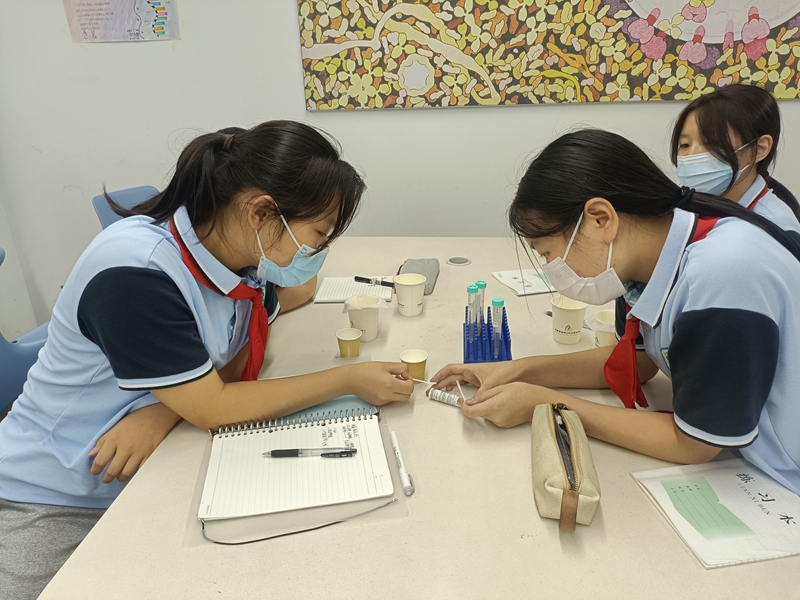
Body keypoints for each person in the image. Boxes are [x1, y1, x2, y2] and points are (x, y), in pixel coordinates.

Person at [0, 120, 414, 599]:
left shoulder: (237, 259)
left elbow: (265, 323)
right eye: (318, 236)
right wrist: (346, 379)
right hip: (55, 494)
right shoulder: (137, 274)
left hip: (156, 467)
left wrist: (165, 411)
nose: (318, 252)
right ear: (260, 211)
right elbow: (215, 406)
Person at [432, 129, 800, 498]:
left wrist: (543, 404)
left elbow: (693, 445)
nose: (550, 269)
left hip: (781, 477)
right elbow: (638, 362)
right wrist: (518, 370)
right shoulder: (640, 261)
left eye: (547, 254)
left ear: (600, 219)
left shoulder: (723, 275)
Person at [672, 83, 800, 232]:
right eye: (684, 145)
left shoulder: (775, 228)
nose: (691, 154)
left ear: (759, 149)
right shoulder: (687, 206)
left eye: (712, 143)